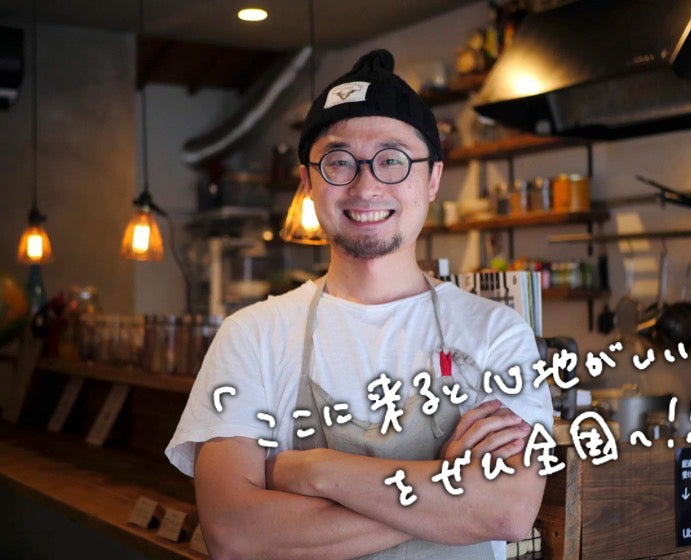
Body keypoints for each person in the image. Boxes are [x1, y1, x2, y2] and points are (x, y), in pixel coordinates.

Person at [165, 49, 553, 560]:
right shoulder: (252, 336)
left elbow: (505, 511)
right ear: (308, 181)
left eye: (393, 159)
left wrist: (313, 470)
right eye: (339, 161)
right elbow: (234, 534)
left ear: (433, 178)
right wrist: (446, 489)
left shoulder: (495, 334)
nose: (365, 186)